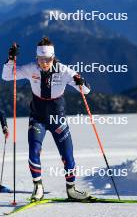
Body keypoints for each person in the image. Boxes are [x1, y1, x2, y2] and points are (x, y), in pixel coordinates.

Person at [2, 37, 91, 201]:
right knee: (33, 151)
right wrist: (10, 60)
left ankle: (71, 189)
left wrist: (81, 81)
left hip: (58, 119)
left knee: (67, 155)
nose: (44, 63)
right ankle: (38, 187)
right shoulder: (31, 68)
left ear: (53, 57)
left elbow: (85, 91)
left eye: (48, 59)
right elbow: (7, 76)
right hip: (38, 118)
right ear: (37, 58)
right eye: (41, 59)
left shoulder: (64, 71)